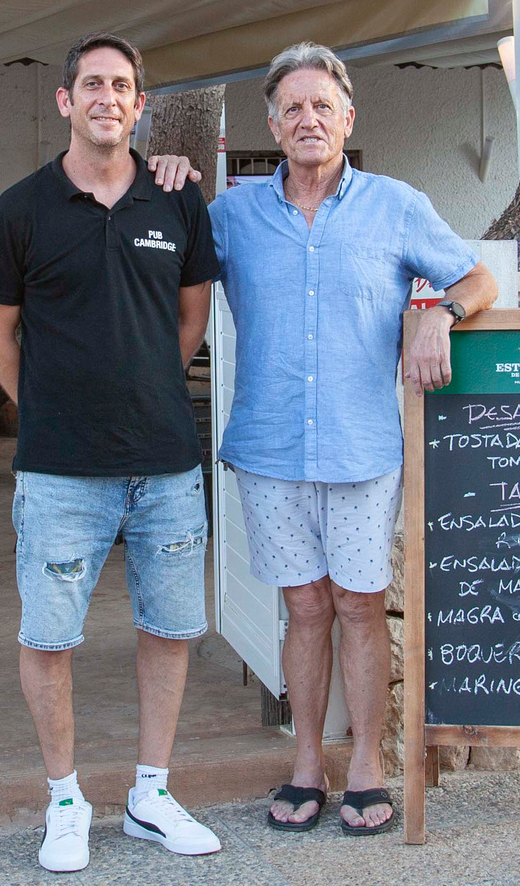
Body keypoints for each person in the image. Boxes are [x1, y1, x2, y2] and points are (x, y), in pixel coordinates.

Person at [210, 44, 496, 835]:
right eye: (293, 108)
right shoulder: (230, 218)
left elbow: (477, 279)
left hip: (363, 447)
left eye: (322, 106)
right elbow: (166, 268)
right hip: (269, 447)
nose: (308, 119)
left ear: (347, 119)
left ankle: (366, 765)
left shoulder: (396, 206)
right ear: (274, 126)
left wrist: (440, 313)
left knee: (359, 605)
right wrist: (163, 169)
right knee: (304, 607)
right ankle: (307, 764)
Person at [0, 33, 223, 873]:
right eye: (92, 84)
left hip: (166, 464)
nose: (106, 97)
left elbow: (189, 320)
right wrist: (53, 411)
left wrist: (141, 390)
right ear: (66, 100)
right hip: (59, 472)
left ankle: (151, 794)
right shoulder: (20, 210)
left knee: (170, 628)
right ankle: (65, 800)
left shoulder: (176, 200)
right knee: (49, 637)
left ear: (139, 104)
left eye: (121, 85)